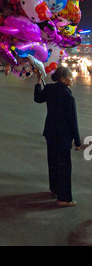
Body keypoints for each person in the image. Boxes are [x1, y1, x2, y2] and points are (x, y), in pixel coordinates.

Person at [34, 66, 81, 207]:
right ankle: (64, 198)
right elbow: (73, 121)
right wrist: (77, 141)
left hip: (50, 132)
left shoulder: (49, 89)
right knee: (64, 166)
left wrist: (38, 83)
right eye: (70, 77)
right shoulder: (68, 95)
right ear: (63, 78)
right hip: (63, 135)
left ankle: (54, 189)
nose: (72, 79)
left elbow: (38, 98)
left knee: (53, 161)